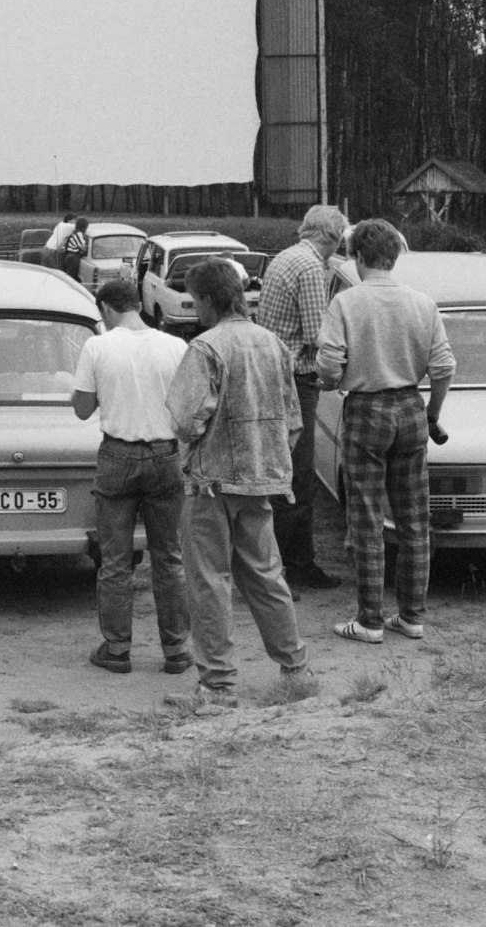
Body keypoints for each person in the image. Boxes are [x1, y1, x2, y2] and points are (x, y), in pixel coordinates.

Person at [163, 257, 309, 708]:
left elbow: (186, 418)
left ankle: (218, 684)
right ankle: (295, 671)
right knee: (266, 575)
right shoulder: (274, 345)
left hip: (211, 483)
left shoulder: (206, 348)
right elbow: (293, 421)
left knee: (209, 580)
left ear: (208, 299)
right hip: (262, 480)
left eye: (196, 300)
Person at [316, 219, 454, 645]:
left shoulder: (347, 303)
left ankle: (370, 620)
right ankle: (411, 616)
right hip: (411, 406)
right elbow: (444, 367)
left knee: (367, 518)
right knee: (414, 520)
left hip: (366, 408)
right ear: (394, 257)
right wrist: (432, 413)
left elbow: (328, 363)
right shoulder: (422, 302)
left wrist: (332, 382)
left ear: (357, 257)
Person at [71, 280, 192, 676]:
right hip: (164, 453)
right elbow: (187, 407)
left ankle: (118, 646)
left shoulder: (98, 347)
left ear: (106, 308)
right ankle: (176, 647)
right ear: (138, 305)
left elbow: (82, 409)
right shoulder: (175, 346)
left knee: (116, 559)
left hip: (118, 454)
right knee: (169, 556)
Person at [252, 204, 351, 594]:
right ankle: (287, 567)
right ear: (332, 236)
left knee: (284, 470)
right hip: (296, 378)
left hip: (275, 373)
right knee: (296, 475)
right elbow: (317, 335)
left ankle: (287, 561)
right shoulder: (311, 268)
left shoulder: (284, 257)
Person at [60, 216, 91, 281]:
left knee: (68, 276)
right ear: (84, 226)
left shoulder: (73, 233)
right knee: (72, 278)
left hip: (68, 255)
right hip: (73, 258)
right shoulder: (79, 234)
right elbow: (83, 248)